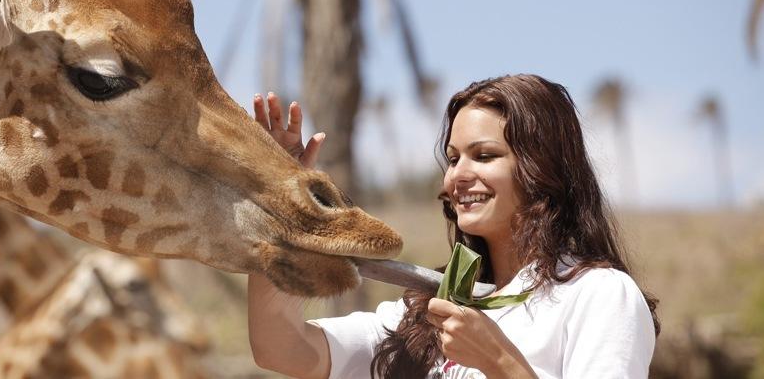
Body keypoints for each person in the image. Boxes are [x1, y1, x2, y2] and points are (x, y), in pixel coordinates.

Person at [247, 74, 659, 379]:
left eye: (483, 155)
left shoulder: (598, 295)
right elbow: (282, 348)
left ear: (542, 169)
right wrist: (277, 199)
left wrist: (500, 362)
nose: (457, 175)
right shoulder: (424, 310)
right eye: (454, 158)